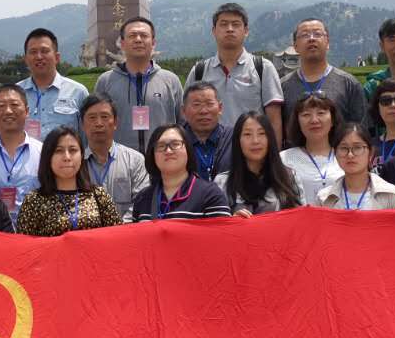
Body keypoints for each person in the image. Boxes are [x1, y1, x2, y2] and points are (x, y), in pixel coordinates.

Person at [186, 2, 285, 142]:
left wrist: (275, 154)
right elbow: (187, 117)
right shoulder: (199, 71)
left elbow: (274, 120)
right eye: (224, 24)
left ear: (246, 31)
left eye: (236, 24)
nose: (230, 29)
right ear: (214, 31)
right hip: (210, 151)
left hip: (252, 149)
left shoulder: (263, 68)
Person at [93, 16, 184, 152]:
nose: (138, 39)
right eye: (132, 35)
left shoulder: (171, 81)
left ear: (153, 43)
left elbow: (182, 124)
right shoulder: (105, 82)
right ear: (122, 43)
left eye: (144, 35)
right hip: (119, 160)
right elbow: (96, 123)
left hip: (162, 158)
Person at [15, 127, 121, 236]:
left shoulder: (98, 195)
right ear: (48, 157)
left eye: (73, 150)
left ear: (82, 156)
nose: (67, 157)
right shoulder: (34, 201)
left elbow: (117, 236)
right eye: (59, 151)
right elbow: (24, 243)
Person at [279, 18, 368, 137]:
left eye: (317, 34)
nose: (311, 39)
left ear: (327, 43)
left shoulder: (349, 84)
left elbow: (362, 131)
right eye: (305, 35)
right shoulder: (282, 86)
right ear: (295, 46)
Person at [132, 124, 233, 221]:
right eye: (161, 146)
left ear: (188, 149)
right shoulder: (143, 198)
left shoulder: (210, 195)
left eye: (175, 144)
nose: (168, 151)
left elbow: (222, 232)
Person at [0, 85, 43, 227]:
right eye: (1, 106)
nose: (8, 111)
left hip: (35, 233)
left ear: (27, 111)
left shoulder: (43, 153)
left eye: (14, 105)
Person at [79, 94, 150, 222]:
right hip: (87, 232)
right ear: (83, 125)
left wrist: (118, 229)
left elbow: (141, 201)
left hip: (126, 231)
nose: (99, 123)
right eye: (92, 118)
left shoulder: (135, 160)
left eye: (105, 117)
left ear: (115, 122)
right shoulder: (76, 164)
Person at [215, 112, 302, 216]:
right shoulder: (222, 182)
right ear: (237, 140)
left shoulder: (289, 177)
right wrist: (233, 221)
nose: (255, 141)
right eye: (247, 134)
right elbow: (217, 223)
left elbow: (302, 218)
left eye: (261, 133)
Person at [314, 122, 395, 210]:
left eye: (357, 147)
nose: (350, 155)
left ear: (371, 153)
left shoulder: (392, 195)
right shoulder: (323, 199)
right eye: (343, 148)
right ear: (335, 153)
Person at [18, 28, 89, 138]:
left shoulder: (78, 92)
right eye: (33, 52)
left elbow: (87, 138)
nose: (39, 57)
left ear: (57, 57)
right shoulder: (16, 93)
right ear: (26, 59)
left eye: (44, 51)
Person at [280, 93, 340, 205]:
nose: (314, 120)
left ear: (332, 120)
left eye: (321, 113)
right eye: (306, 114)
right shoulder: (284, 159)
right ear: (297, 122)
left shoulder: (346, 155)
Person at [180, 81, 233, 180]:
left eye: (209, 104)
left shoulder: (233, 138)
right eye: (196, 105)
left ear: (220, 108)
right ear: (183, 111)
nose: (203, 111)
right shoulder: (175, 141)